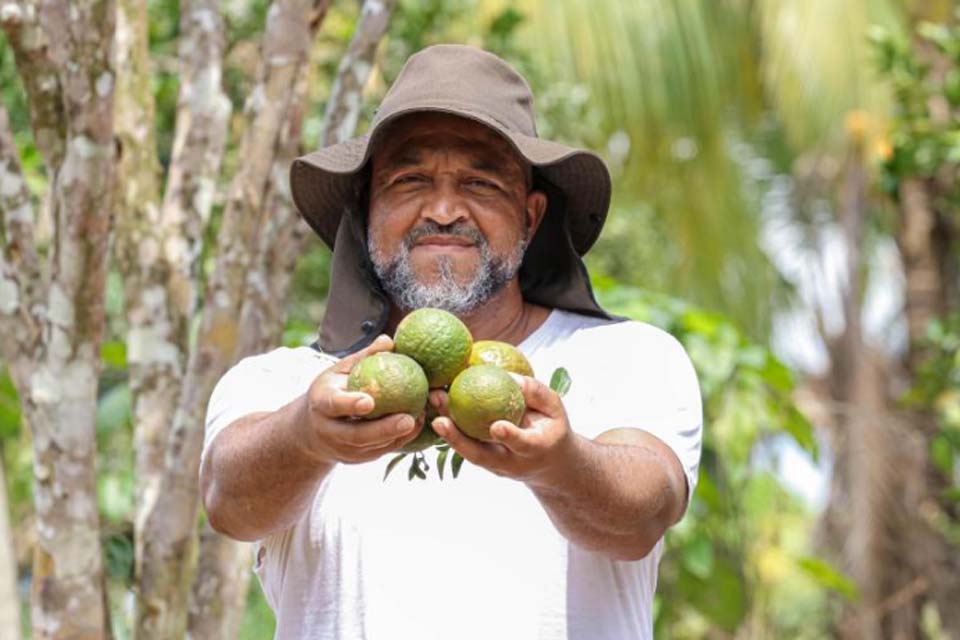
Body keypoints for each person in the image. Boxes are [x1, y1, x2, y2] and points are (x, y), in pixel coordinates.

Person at [200, 44, 703, 640]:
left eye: (481, 182)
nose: (442, 210)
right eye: (410, 180)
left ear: (531, 215)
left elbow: (643, 513)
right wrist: (306, 436)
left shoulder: (628, 358)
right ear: (366, 211)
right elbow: (228, 500)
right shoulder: (292, 385)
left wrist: (561, 463)